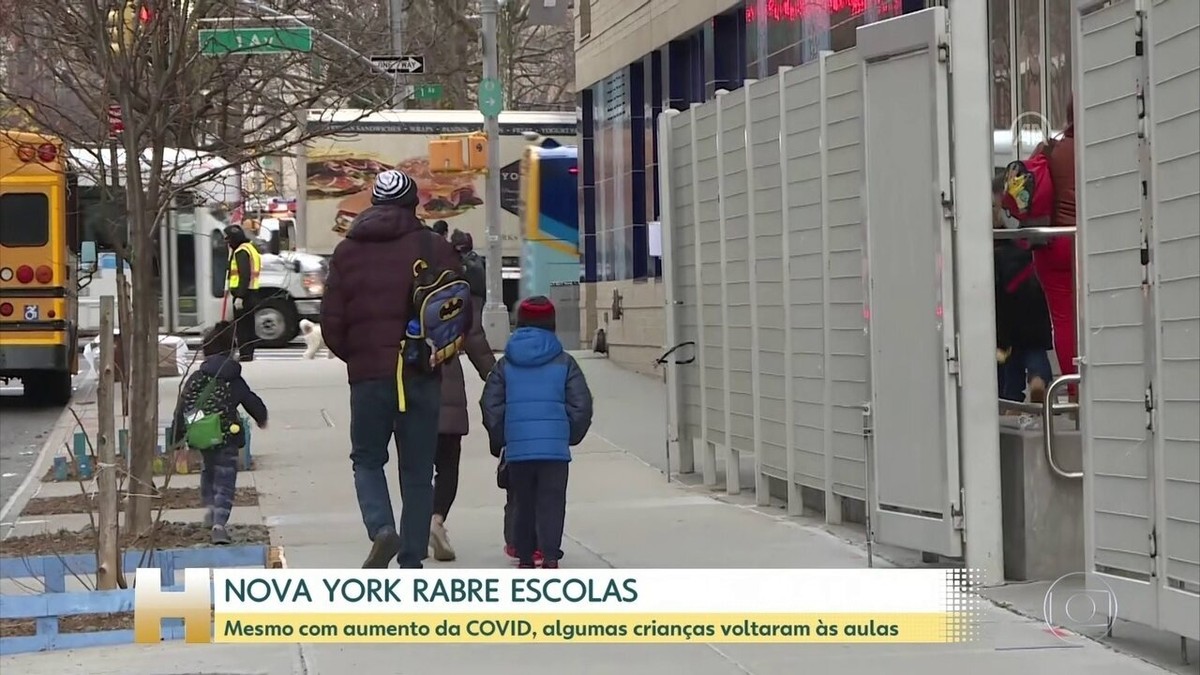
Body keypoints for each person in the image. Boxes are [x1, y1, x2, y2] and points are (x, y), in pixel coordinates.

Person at [320, 169, 465, 569]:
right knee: (418, 469)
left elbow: (331, 322)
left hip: (369, 377)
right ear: (411, 203)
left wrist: (359, 356)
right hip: (421, 372)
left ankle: (382, 528)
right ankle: (413, 556)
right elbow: (458, 312)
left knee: (367, 458)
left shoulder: (347, 251)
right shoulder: (434, 247)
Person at [481, 296, 594, 569]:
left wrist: (503, 436)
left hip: (519, 448)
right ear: (552, 325)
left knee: (522, 500)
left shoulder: (505, 364)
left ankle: (524, 557)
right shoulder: (565, 363)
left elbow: (490, 404)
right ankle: (551, 555)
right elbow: (582, 405)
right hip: (554, 450)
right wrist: (567, 435)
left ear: (518, 324)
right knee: (552, 501)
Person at [171, 321, 268, 544]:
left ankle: (210, 508)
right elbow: (250, 401)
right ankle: (219, 523)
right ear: (231, 350)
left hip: (202, 437)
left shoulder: (196, 378)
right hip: (227, 439)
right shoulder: (232, 378)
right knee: (225, 478)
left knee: (208, 470)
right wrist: (261, 417)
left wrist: (177, 440)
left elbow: (182, 407)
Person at [992, 175, 1054, 405]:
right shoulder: (1030, 225)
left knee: (1010, 357)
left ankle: (1012, 401)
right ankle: (1038, 380)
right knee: (1035, 350)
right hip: (1033, 297)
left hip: (1007, 309)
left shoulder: (995, 240)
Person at [1032, 98, 1078, 396]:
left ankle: (1075, 391)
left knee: (1062, 321)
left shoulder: (1049, 149)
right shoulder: (1104, 147)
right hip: (1091, 242)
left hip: (1053, 243)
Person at [223, 224, 263, 362]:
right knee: (249, 325)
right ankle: (249, 353)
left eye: (229, 241)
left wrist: (239, 296)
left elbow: (244, 275)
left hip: (244, 295)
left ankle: (245, 355)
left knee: (242, 327)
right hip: (252, 292)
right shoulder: (251, 248)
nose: (228, 244)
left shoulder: (241, 251)